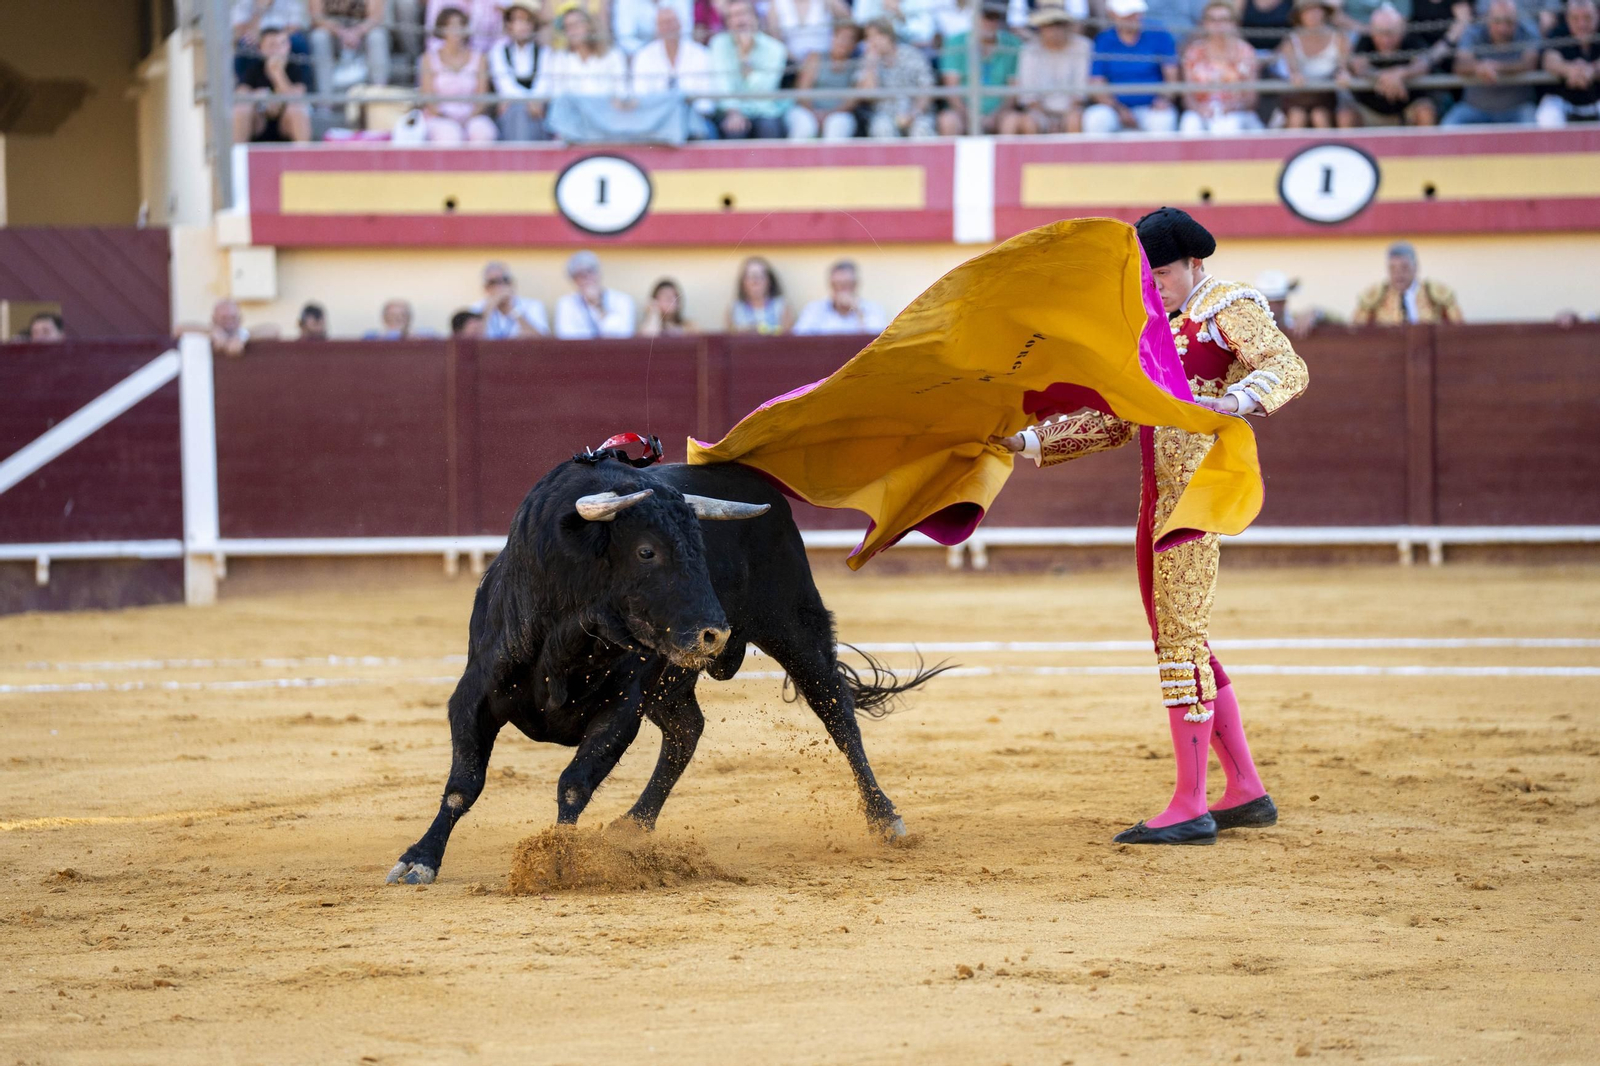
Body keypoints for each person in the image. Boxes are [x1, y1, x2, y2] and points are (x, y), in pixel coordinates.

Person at [992, 208, 1309, 846]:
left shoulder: (1228, 304)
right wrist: (1023, 441)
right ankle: (1244, 789)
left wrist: (1234, 400)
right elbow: (1115, 421)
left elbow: (1287, 367)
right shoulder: (1147, 326)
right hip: (1156, 504)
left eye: (1161, 273)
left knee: (1180, 642)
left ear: (1194, 264)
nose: (1154, 284)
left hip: (1197, 498)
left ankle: (1191, 803)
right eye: (1147, 274)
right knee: (1181, 637)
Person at [1083, 0, 1180, 134]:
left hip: (1152, 107)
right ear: (1112, 14)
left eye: (1136, 13)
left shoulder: (1159, 33)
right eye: (1127, 15)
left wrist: (1163, 100)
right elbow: (1097, 82)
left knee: (1163, 120)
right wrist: (1118, 109)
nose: (1133, 18)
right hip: (1115, 108)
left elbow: (1171, 76)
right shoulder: (1104, 39)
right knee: (1095, 118)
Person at [1341, 3, 1443, 125]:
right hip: (1370, 110)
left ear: (1401, 31)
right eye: (1381, 34)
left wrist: (1401, 73)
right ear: (1372, 31)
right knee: (1346, 114)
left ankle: (1427, 145)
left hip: (1406, 110)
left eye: (1391, 34)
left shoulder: (1411, 38)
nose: (1386, 40)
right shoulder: (1365, 40)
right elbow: (1358, 66)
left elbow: (1424, 64)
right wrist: (1385, 76)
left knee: (1426, 111)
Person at [632, 4, 721, 138]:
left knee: (707, 130)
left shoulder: (700, 54)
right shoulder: (644, 56)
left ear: (680, 24)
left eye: (671, 22)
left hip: (693, 119)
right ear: (657, 28)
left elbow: (707, 99)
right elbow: (641, 95)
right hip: (656, 120)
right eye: (663, 23)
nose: (668, 27)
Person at [1444, 0, 1542, 123]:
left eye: (1508, 22)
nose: (1503, 28)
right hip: (1474, 108)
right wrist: (1479, 67)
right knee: (1449, 126)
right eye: (1497, 21)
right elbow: (1460, 65)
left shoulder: (1527, 31)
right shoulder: (1474, 32)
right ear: (1488, 19)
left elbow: (1529, 64)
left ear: (1516, 20)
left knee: (1532, 126)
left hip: (1517, 108)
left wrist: (1496, 67)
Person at [937, 0, 1022, 135]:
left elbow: (1014, 90)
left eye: (996, 17)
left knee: (1012, 120)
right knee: (948, 120)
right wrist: (971, 117)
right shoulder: (955, 43)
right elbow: (951, 89)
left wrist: (995, 116)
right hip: (963, 113)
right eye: (986, 16)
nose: (991, 22)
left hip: (999, 114)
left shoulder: (1013, 44)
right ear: (975, 17)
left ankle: (1006, 157)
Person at [710, 0, 792, 137]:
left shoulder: (775, 49)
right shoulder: (718, 44)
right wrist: (734, 112)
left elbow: (762, 89)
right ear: (727, 23)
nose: (740, 20)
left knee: (768, 128)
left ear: (756, 18)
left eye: (744, 13)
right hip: (730, 111)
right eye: (733, 16)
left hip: (764, 111)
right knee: (734, 130)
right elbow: (722, 85)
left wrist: (745, 57)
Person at [1179, 1, 1264, 133]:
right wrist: (1200, 109)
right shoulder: (1193, 52)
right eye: (1212, 20)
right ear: (1204, 23)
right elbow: (1187, 95)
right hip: (1201, 111)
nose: (1218, 24)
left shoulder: (1245, 52)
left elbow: (1251, 98)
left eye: (1223, 19)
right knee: (1190, 123)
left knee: (1227, 125)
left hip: (1237, 112)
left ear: (1233, 23)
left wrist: (1232, 107)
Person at [1010, 3, 1092, 135]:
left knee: (1075, 120)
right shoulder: (1030, 50)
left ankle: (1073, 156)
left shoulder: (1082, 46)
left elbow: (1080, 93)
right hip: (1039, 112)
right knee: (1028, 122)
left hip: (1071, 110)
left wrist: (1066, 116)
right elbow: (1029, 96)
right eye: (1049, 25)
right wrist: (1048, 119)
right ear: (1041, 28)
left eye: (1059, 24)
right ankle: (1034, 155)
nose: (1054, 30)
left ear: (1066, 26)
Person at [420, 7, 499, 141]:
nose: (456, 30)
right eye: (451, 26)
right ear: (441, 30)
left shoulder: (479, 58)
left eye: (460, 25)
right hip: (440, 117)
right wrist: (447, 117)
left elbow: (482, 98)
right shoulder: (428, 59)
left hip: (472, 116)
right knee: (449, 135)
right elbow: (429, 99)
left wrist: (467, 118)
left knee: (483, 132)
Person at [855, 18, 937, 137]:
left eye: (874, 36)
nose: (870, 42)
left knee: (921, 129)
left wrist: (914, 114)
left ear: (888, 36)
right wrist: (871, 67)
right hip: (885, 116)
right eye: (868, 37)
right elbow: (868, 96)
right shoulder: (868, 61)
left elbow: (927, 88)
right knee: (881, 127)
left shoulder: (912, 55)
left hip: (916, 113)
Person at [1352, 241, 1464, 324]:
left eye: (1404, 268)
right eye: (1392, 269)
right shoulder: (1375, 296)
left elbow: (1458, 331)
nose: (1398, 274)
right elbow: (1357, 335)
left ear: (1416, 268)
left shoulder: (1435, 294)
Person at [1277, 0, 1349, 127]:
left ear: (1324, 12)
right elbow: (1292, 70)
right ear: (1300, 15)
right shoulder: (1290, 41)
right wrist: (1295, 76)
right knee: (1297, 116)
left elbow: (1343, 68)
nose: (1313, 14)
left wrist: (1343, 74)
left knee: (1320, 115)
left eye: (1317, 9)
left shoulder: (1339, 38)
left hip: (1328, 96)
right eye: (1307, 10)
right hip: (1300, 97)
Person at [234, 26, 313, 143]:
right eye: (272, 45)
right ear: (261, 48)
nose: (278, 50)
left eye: (282, 44)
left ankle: (304, 156)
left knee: (297, 108)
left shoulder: (296, 67)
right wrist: (260, 97)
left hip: (286, 124)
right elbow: (240, 94)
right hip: (259, 123)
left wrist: (278, 74)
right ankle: (237, 156)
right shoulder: (254, 68)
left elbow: (298, 96)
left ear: (288, 46)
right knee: (241, 109)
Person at [533, 4, 629, 98]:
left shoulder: (613, 55)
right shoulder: (559, 58)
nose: (573, 30)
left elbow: (621, 93)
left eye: (577, 24)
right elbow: (558, 95)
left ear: (589, 25)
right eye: (567, 27)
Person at [787, 21, 863, 139]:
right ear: (833, 37)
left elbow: (852, 100)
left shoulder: (856, 65)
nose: (844, 42)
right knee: (804, 127)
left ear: (854, 44)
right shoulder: (815, 58)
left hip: (839, 114)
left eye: (850, 39)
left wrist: (829, 115)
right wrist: (815, 114)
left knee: (837, 126)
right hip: (807, 110)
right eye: (840, 37)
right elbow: (802, 91)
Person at [490, 0, 550, 140]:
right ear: (509, 24)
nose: (522, 26)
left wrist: (534, 102)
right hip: (513, 109)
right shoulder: (498, 51)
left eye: (526, 20)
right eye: (517, 20)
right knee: (518, 112)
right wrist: (529, 101)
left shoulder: (544, 52)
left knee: (529, 113)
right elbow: (505, 85)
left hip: (537, 109)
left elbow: (544, 84)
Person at [309, 0, 392, 95]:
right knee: (319, 36)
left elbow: (376, 17)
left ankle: (378, 95)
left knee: (377, 36)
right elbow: (316, 17)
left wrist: (357, 32)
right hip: (333, 35)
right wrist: (340, 32)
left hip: (362, 35)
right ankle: (325, 100)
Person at [1538, 0, 1600, 126]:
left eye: (1587, 17)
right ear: (1567, 18)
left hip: (1597, 100)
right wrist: (1570, 70)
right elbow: (1549, 60)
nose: (1582, 24)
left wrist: (1591, 70)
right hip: (1564, 101)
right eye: (1575, 18)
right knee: (1547, 116)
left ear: (1597, 15)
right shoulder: (1559, 32)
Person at [553, 250, 637, 338]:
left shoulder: (622, 300)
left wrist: (598, 305)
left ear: (598, 273)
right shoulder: (566, 303)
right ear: (573, 280)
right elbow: (565, 336)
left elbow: (624, 333)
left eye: (590, 271)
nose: (586, 278)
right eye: (580, 275)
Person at [793, 260, 888, 335]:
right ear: (830, 285)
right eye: (837, 285)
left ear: (855, 285)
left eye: (846, 285)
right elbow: (799, 338)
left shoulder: (873, 309)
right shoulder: (814, 309)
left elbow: (876, 341)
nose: (841, 291)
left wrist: (858, 312)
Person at [471, 261, 550, 338]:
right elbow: (472, 341)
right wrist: (488, 309)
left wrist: (513, 311)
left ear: (512, 283)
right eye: (493, 282)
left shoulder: (532, 305)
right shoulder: (476, 308)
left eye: (505, 280)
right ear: (486, 288)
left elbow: (542, 341)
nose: (500, 286)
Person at [727, 256, 794, 333]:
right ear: (743, 282)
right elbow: (730, 339)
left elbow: (787, 338)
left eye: (760, 276)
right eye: (750, 277)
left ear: (769, 281)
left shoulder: (781, 306)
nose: (755, 282)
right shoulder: (735, 309)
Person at [766, 0, 849, 61]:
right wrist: (793, 60)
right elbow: (775, 40)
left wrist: (837, 47)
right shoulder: (776, 3)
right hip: (790, 63)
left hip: (825, 61)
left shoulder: (827, 1)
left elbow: (850, 24)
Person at [423, 0, 508, 52]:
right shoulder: (439, 1)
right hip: (444, 60)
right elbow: (433, 38)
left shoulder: (493, 3)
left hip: (483, 62)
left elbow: (500, 39)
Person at [614, 0, 693, 54]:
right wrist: (650, 54)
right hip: (638, 57)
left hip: (680, 54)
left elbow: (686, 32)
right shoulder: (626, 2)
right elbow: (625, 39)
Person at [364, 298, 432, 338]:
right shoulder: (372, 336)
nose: (397, 318)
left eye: (402, 315)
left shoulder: (425, 335)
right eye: (392, 315)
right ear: (384, 318)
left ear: (409, 318)